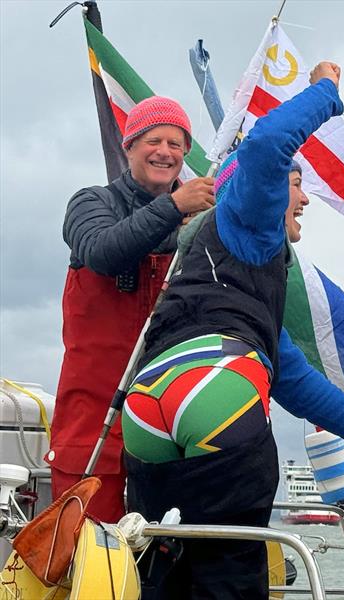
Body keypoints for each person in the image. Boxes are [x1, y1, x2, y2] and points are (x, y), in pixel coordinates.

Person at [120, 62, 344, 599]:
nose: (304, 199)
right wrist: (326, 90)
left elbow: (301, 385)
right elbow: (265, 147)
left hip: (147, 406)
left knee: (161, 573)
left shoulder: (219, 275)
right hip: (217, 387)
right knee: (230, 575)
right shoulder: (252, 220)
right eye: (296, 184)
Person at [48, 96, 216, 522]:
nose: (166, 151)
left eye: (177, 144)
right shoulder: (89, 204)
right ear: (128, 146)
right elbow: (104, 252)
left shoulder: (205, 222)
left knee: (165, 555)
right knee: (82, 553)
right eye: (154, 140)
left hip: (170, 420)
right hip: (92, 425)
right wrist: (176, 209)